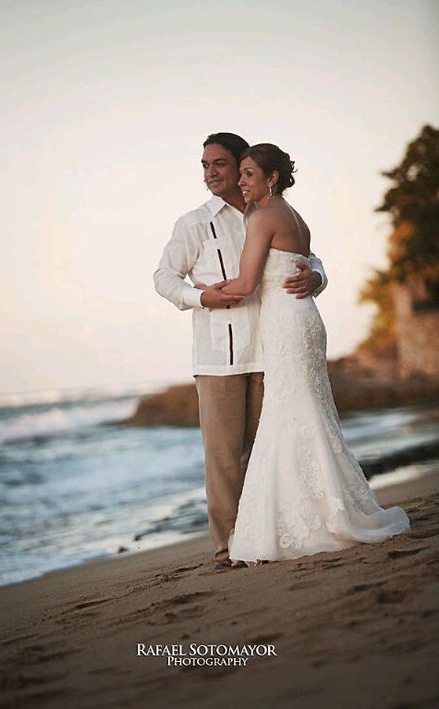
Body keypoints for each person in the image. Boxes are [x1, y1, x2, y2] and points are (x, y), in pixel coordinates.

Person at [220, 143, 410, 565]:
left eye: (249, 174)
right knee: (305, 411)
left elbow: (248, 282)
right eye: (242, 174)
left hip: (289, 323)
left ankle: (313, 517)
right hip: (299, 317)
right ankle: (321, 508)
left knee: (293, 412)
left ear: (271, 178)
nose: (242, 181)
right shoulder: (292, 216)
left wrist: (202, 295)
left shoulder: (266, 215)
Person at [153, 133, 328, 569]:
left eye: (220, 164)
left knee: (270, 449)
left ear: (242, 166)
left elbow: (308, 257)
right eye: (205, 165)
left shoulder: (268, 211)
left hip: (274, 351)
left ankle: (267, 535)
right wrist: (200, 298)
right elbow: (163, 276)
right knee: (225, 459)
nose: (210, 173)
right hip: (220, 358)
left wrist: (317, 278)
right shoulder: (194, 222)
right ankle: (227, 549)